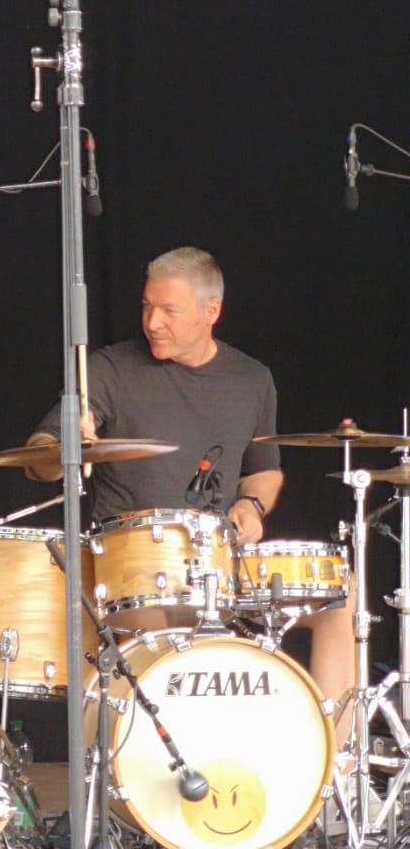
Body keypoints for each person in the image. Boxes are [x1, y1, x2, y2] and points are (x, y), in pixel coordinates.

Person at [25, 246, 355, 729]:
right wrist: (65, 448)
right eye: (146, 306)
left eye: (168, 310)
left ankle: (337, 765)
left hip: (222, 567)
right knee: (177, 634)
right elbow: (38, 457)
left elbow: (264, 469)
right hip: (135, 573)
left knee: (341, 599)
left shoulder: (252, 379)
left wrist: (252, 504)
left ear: (211, 311)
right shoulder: (108, 369)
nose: (152, 322)